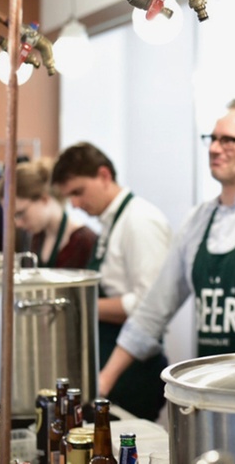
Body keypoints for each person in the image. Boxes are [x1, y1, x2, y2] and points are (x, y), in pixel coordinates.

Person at [98, 99, 235, 394]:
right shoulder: (197, 221)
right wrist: (103, 381)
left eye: (228, 140)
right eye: (213, 139)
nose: (215, 149)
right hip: (213, 392)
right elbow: (154, 308)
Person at [51, 142, 172, 421]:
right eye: (69, 196)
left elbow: (148, 305)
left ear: (104, 175)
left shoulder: (140, 221)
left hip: (134, 371)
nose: (75, 204)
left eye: (78, 192)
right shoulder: (110, 222)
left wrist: (80, 305)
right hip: (109, 359)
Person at [6, 158, 97, 268]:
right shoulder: (37, 237)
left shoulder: (85, 241)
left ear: (44, 199)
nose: (18, 223)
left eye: (20, 213)